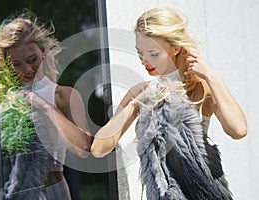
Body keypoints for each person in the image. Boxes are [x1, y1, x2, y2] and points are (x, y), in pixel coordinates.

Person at [91, 7, 247, 199]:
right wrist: (136, 103)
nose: (144, 60)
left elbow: (238, 129)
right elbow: (98, 148)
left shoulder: (199, 87)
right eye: (140, 52)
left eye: (153, 53)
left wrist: (212, 75)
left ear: (176, 47)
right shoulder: (142, 92)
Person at [0, 11, 92, 200]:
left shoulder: (62, 95)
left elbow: (83, 148)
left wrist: (46, 107)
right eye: (17, 64)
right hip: (10, 193)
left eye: (33, 60)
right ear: (7, 64)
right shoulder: (1, 97)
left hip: (51, 191)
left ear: (43, 53)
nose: (28, 69)